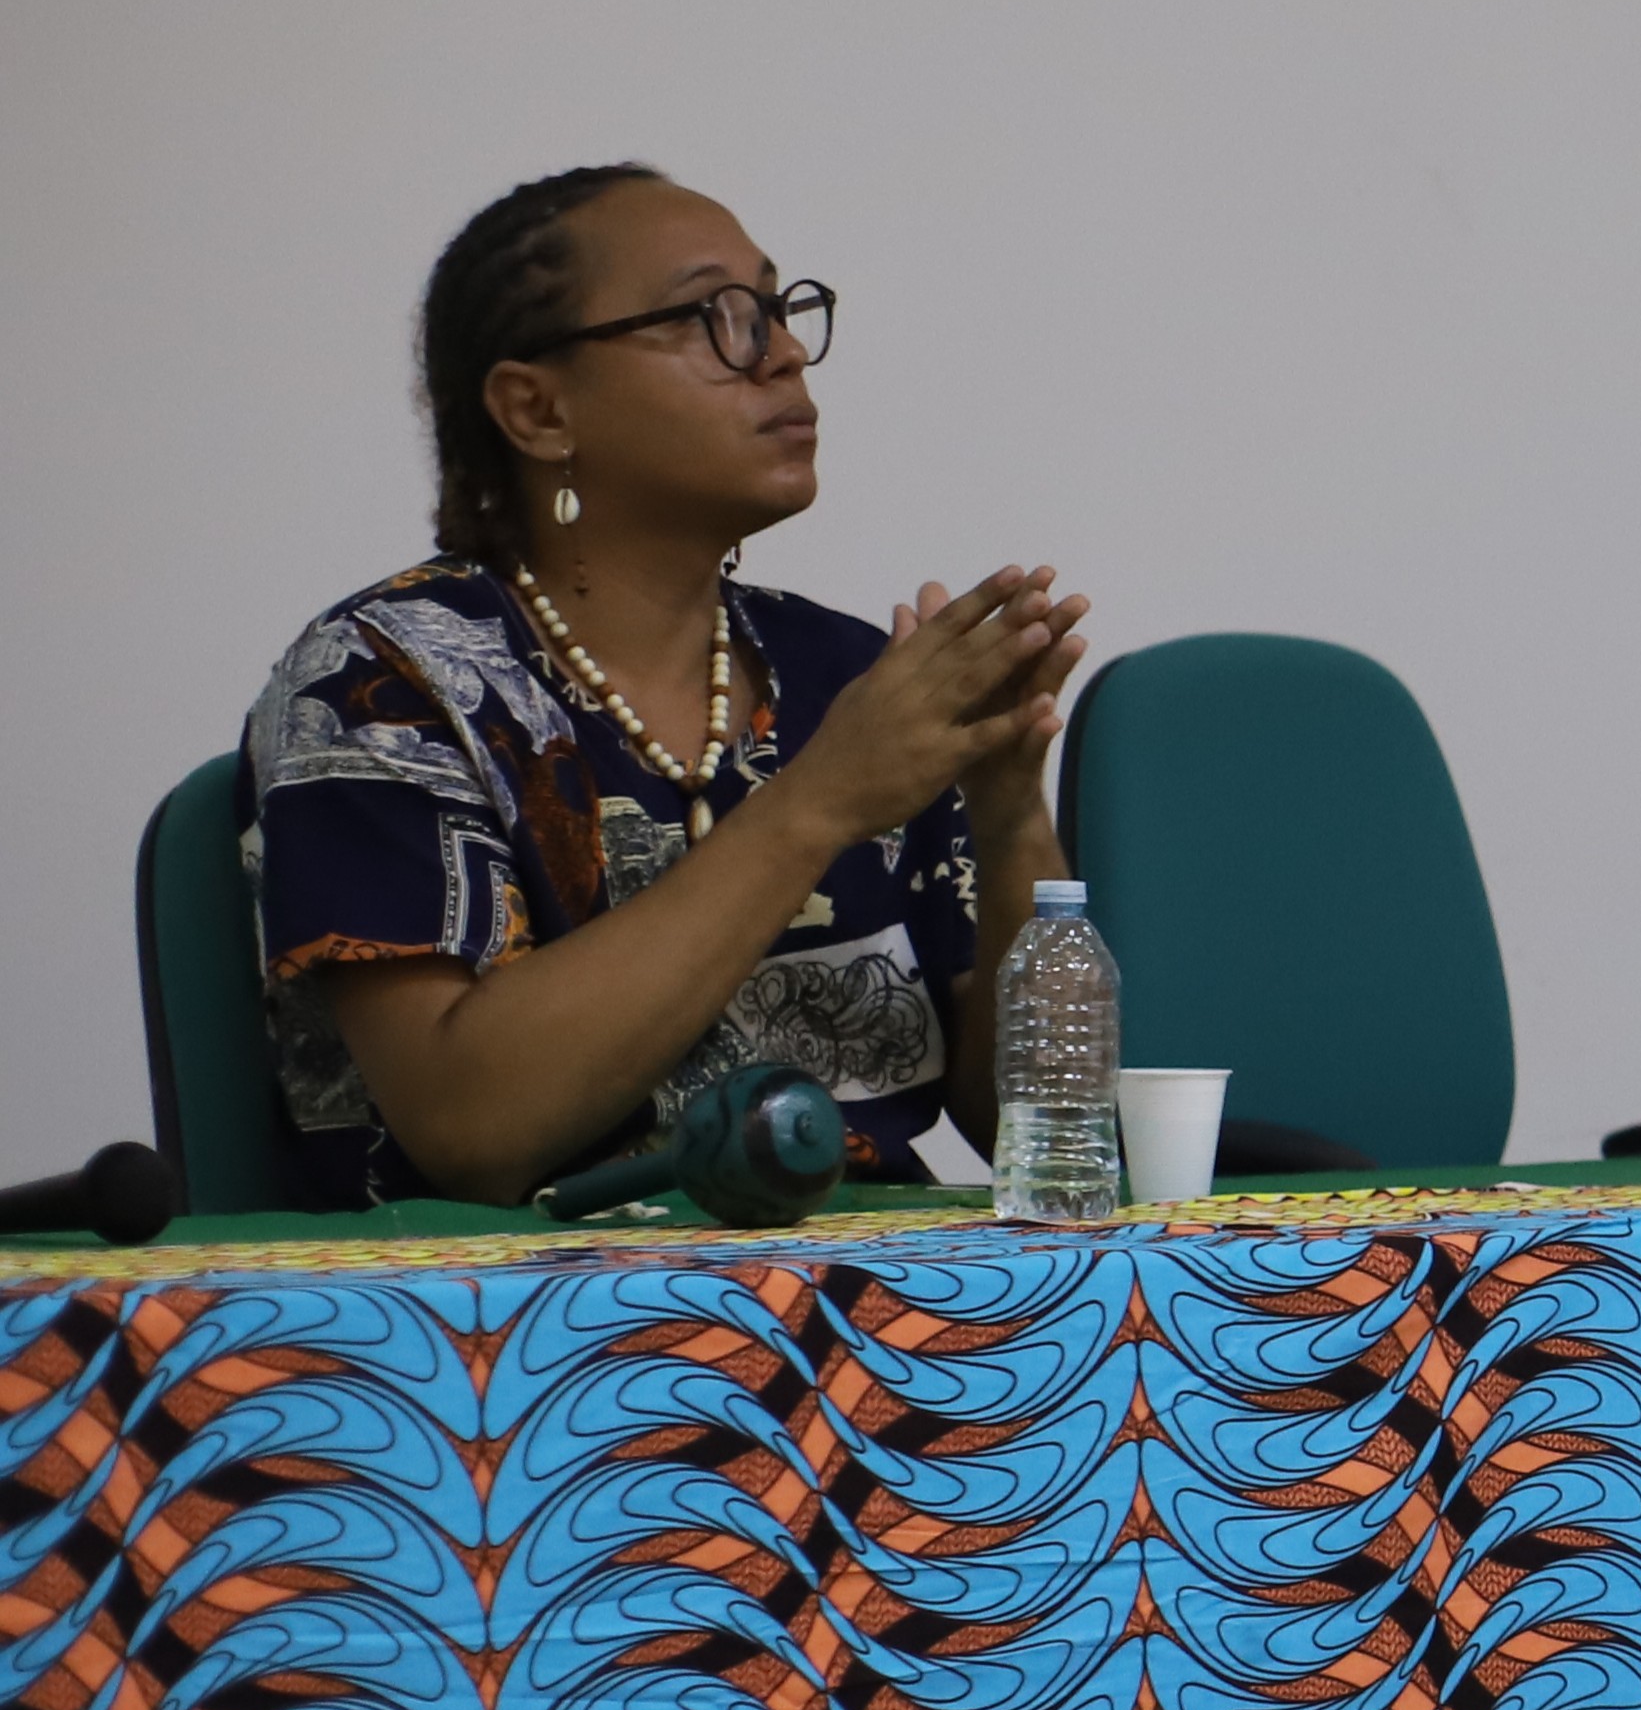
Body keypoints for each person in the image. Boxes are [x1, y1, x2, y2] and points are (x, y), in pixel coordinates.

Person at [243, 164, 1091, 1207]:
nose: (782, 352)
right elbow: (471, 1128)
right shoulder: (382, 682)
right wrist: (819, 802)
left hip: (878, 1281)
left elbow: (1041, 1136)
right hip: (515, 1294)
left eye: (778, 309)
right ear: (538, 409)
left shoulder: (847, 677)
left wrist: (1007, 811)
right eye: (715, 317)